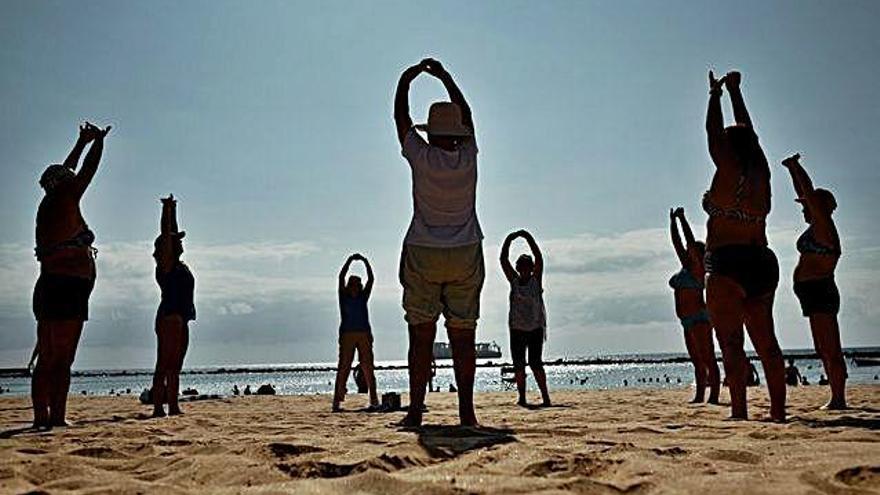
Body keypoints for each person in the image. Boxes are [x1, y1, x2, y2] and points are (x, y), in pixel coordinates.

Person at [394, 58, 484, 426]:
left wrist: (407, 79)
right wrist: (446, 77)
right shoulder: (468, 156)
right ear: (460, 132)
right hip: (464, 250)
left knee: (420, 334)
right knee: (463, 336)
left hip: (423, 250)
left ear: (430, 134)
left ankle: (416, 410)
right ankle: (466, 412)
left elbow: (399, 118)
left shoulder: (422, 155)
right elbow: (468, 113)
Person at [703, 70, 786, 421]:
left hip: (728, 262)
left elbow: (712, 131)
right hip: (762, 261)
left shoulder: (727, 166)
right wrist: (737, 92)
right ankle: (778, 411)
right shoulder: (761, 172)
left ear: (728, 147)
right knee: (767, 343)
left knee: (732, 343)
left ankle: (740, 410)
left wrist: (714, 97)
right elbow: (749, 130)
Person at [31, 122, 110, 428]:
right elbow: (86, 171)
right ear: (62, 184)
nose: (72, 178)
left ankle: (43, 417)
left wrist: (80, 141)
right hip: (65, 288)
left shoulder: (50, 201)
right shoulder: (65, 198)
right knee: (60, 359)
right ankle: (55, 418)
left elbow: (65, 170)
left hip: (53, 286)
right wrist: (99, 142)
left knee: (49, 356)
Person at [781, 153, 848, 409]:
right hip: (811, 293)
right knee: (822, 349)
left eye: (806, 207)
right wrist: (790, 171)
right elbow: (805, 194)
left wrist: (796, 167)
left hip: (821, 292)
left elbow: (808, 192)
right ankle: (836, 395)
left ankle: (838, 399)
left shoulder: (824, 227)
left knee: (831, 349)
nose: (803, 210)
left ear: (819, 208)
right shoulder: (817, 227)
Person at [668, 208, 721, 404]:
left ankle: (713, 396)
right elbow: (677, 243)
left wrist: (683, 219)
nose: (688, 250)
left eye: (692, 250)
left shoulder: (699, 268)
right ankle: (699, 396)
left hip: (699, 317)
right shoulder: (685, 266)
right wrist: (672, 222)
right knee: (696, 361)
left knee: (708, 358)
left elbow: (688, 241)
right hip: (686, 320)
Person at [150, 194, 196, 417]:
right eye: (176, 240)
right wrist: (166, 212)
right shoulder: (166, 265)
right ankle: (159, 407)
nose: (180, 242)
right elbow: (167, 234)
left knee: (175, 365)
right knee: (164, 364)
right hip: (170, 317)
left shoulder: (177, 264)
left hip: (181, 317)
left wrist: (174, 210)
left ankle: (174, 405)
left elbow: (171, 233)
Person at [500, 229, 551, 407]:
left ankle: (545, 397)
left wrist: (527, 237)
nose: (525, 270)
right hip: (517, 329)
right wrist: (509, 239)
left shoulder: (536, 280)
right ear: (518, 269)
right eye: (522, 268)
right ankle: (522, 397)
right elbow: (503, 260)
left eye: (528, 267)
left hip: (535, 328)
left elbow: (539, 257)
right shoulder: (514, 281)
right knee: (519, 365)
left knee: (535, 363)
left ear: (531, 269)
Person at [332, 254, 379, 411]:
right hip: (347, 334)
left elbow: (371, 280)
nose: (355, 288)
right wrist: (350, 261)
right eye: (352, 285)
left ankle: (373, 400)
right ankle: (337, 401)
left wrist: (366, 262)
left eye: (357, 285)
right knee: (344, 366)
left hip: (364, 333)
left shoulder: (363, 297)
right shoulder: (343, 297)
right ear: (349, 286)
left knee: (368, 366)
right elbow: (341, 276)